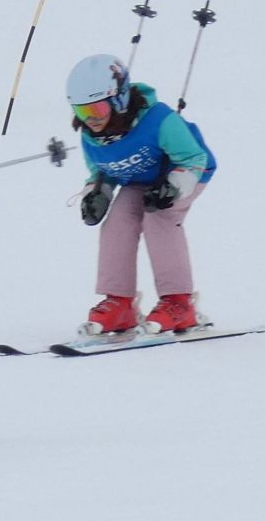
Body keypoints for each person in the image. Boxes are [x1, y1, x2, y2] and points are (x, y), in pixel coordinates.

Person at [66, 53, 216, 335]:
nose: (91, 120)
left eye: (97, 110)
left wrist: (173, 186)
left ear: (118, 99)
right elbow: (103, 170)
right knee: (117, 224)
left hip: (186, 173)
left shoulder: (159, 120)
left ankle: (179, 303)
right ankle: (120, 303)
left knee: (159, 219)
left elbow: (194, 158)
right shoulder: (90, 137)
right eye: (82, 112)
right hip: (139, 181)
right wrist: (97, 193)